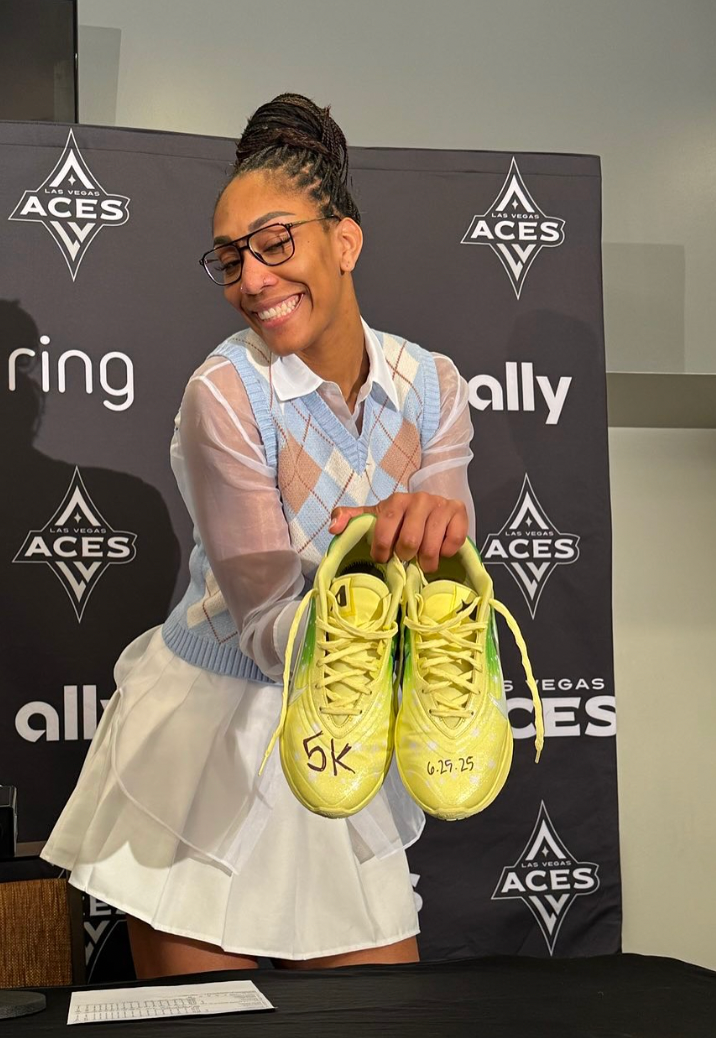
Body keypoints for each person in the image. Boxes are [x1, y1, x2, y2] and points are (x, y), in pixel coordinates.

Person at [40, 93, 476, 978]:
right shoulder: (226, 397)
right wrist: (361, 577)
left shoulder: (432, 388)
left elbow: (445, 593)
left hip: (340, 742)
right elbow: (268, 627)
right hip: (209, 751)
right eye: (231, 258)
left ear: (344, 241)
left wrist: (435, 570)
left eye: (275, 243)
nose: (253, 278)